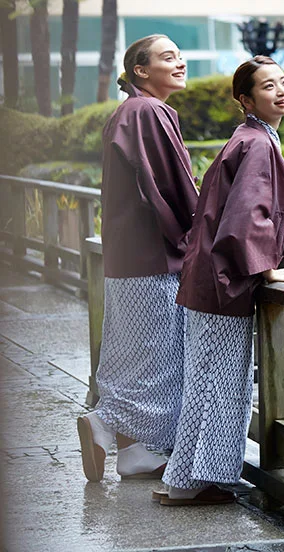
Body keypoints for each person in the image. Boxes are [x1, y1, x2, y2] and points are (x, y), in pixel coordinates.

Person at [158, 55, 284, 506]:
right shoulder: (258, 144)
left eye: (283, 82)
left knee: (204, 380)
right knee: (220, 382)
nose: (281, 91)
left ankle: (184, 482)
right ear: (246, 100)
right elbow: (246, 217)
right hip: (225, 280)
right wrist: (267, 269)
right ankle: (201, 482)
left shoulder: (249, 137)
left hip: (208, 275)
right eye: (268, 86)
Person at [77, 35, 198, 482]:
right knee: (158, 357)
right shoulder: (149, 111)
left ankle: (133, 453)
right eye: (168, 57)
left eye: (180, 56)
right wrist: (201, 233)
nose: (180, 63)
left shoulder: (128, 111)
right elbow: (169, 186)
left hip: (126, 258)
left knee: (134, 354)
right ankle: (105, 422)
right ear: (141, 71)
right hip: (153, 257)